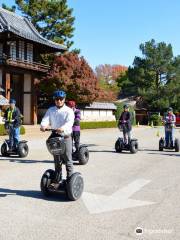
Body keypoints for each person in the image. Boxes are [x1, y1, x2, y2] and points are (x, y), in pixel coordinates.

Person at [40, 90, 75, 178]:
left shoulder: (69, 111)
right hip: (55, 137)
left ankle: (70, 180)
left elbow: (70, 122)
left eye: (61, 99)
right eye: (57, 99)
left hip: (66, 137)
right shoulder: (51, 110)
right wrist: (43, 126)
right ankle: (57, 179)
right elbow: (45, 119)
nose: (59, 101)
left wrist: (63, 128)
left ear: (64, 99)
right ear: (54, 100)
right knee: (57, 160)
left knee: (68, 160)